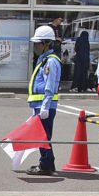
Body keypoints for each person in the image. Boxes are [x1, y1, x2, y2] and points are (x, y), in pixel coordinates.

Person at [25, 25, 62, 176]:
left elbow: (49, 86)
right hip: (39, 105)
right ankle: (48, 163)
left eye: (37, 43)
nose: (35, 46)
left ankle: (45, 165)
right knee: (43, 135)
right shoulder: (44, 59)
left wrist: (45, 107)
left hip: (45, 105)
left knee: (43, 136)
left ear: (46, 43)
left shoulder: (51, 61)